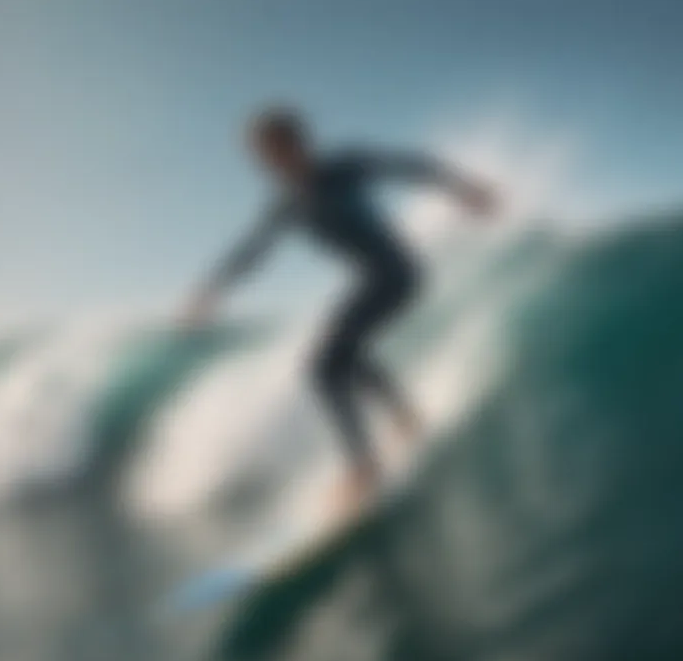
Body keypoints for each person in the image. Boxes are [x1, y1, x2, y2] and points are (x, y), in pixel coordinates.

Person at [183, 107, 496, 512]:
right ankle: (406, 418)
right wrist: (211, 290)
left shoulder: (343, 167)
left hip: (398, 272)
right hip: (371, 280)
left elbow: (409, 165)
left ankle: (364, 465)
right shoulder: (286, 204)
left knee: (323, 369)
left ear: (299, 142)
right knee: (341, 357)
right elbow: (251, 250)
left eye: (276, 150)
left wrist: (465, 190)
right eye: (262, 157)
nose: (270, 163)